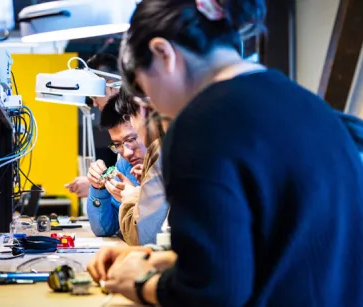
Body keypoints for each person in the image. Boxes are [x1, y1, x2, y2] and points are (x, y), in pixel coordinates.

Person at [88, 0, 363, 306]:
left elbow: (213, 293)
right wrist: (151, 262)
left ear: (163, 53)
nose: (153, 108)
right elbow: (272, 252)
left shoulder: (201, 124)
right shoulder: (308, 105)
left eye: (146, 89)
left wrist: (139, 283)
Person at [86, 93, 147, 237]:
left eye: (131, 139)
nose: (126, 153)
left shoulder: (174, 164)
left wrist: (138, 199)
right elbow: (104, 229)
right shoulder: (124, 166)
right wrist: (97, 188)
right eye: (117, 144)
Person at [115, 91, 170, 246]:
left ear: (143, 109)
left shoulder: (161, 148)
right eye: (117, 144)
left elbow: (143, 237)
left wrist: (131, 197)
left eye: (129, 116)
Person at [64, 53, 121, 197]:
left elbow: (134, 182)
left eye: (95, 96)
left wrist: (96, 185)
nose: (94, 104)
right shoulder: (119, 125)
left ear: (111, 87)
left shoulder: (136, 124)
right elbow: (121, 172)